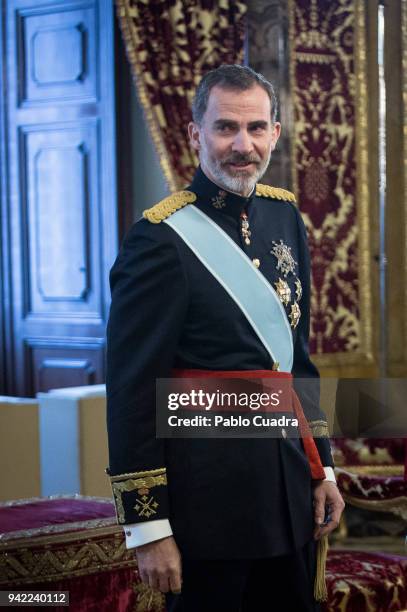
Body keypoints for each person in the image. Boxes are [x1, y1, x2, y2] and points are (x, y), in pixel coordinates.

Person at [106, 64, 345, 612]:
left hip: (289, 490)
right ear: (195, 134)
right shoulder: (159, 240)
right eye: (225, 128)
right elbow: (133, 393)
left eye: (256, 128)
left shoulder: (285, 217)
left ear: (275, 134)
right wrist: (149, 526)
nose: (243, 145)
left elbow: (295, 363)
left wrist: (322, 468)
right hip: (206, 506)